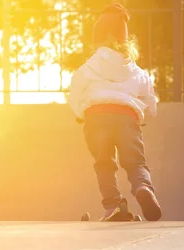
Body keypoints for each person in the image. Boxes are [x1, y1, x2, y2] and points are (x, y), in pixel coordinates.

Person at [69, 3, 162, 222]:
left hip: (95, 116)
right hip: (126, 117)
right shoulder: (137, 71)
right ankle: (143, 188)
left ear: (97, 38)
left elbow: (74, 94)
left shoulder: (88, 67)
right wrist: (144, 115)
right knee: (136, 163)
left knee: (104, 163)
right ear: (126, 39)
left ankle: (111, 206)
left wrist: (81, 113)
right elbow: (151, 104)